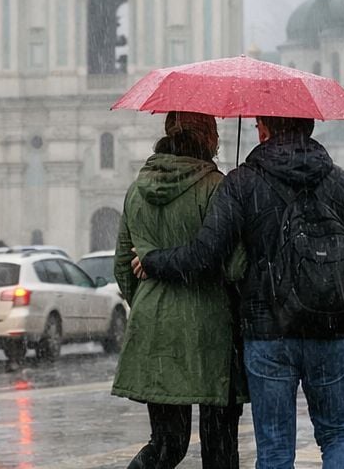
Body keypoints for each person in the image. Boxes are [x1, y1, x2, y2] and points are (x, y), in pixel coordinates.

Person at [134, 114, 344, 469]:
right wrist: (335, 307)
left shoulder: (243, 183)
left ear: (263, 128)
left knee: (276, 448)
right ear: (309, 126)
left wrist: (154, 261)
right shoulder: (343, 183)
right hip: (329, 333)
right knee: (339, 434)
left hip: (268, 334)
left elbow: (206, 255)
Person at [112, 111, 247, 469]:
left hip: (154, 327)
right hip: (210, 332)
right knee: (219, 446)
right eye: (214, 132)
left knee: (167, 442)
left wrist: (148, 303)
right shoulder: (216, 186)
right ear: (207, 137)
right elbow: (235, 267)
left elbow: (121, 268)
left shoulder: (136, 190)